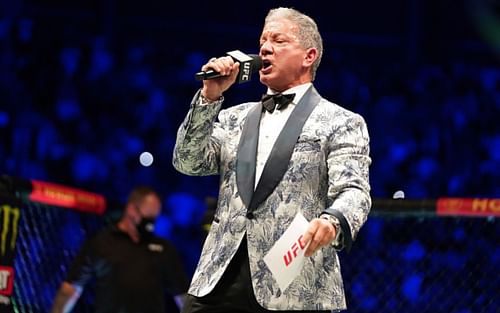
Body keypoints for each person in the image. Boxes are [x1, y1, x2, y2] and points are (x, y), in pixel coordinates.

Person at [173, 7, 371, 313]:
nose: (265, 47)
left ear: (308, 56)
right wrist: (209, 97)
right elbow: (187, 161)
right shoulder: (233, 117)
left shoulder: (341, 121)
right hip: (217, 278)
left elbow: (355, 191)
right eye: (263, 40)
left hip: (292, 282)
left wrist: (332, 222)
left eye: (278, 40)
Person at [51, 186, 189, 313]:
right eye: (147, 217)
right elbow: (72, 287)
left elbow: (183, 295)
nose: (150, 224)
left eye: (154, 218)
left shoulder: (164, 249)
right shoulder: (102, 242)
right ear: (131, 209)